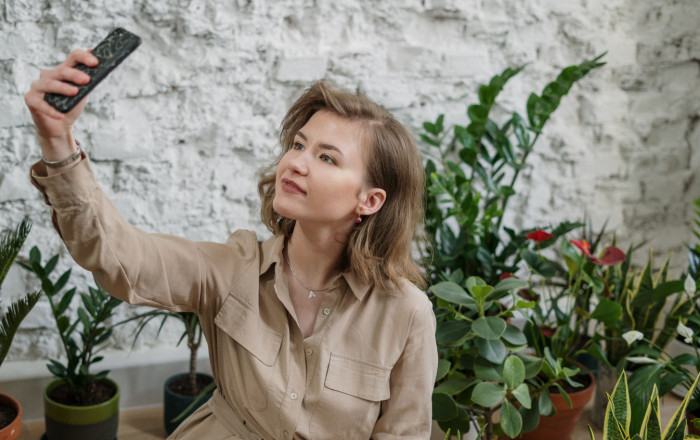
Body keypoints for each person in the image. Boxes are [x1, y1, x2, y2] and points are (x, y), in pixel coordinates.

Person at [24, 49, 438, 439]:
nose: (295, 162)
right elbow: (122, 259)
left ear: (369, 200)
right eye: (298, 145)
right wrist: (58, 142)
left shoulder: (406, 313)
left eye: (327, 157)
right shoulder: (232, 269)